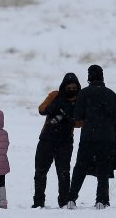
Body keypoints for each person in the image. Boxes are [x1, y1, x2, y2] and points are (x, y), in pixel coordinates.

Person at [66, 65, 116, 210]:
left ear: (89, 77)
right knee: (103, 169)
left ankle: (71, 199)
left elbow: (77, 116)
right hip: (107, 138)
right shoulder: (111, 94)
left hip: (88, 137)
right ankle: (101, 201)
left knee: (80, 168)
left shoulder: (83, 94)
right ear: (102, 77)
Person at [32, 72, 81, 208]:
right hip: (46, 139)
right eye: (69, 88)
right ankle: (38, 202)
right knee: (40, 172)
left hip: (65, 142)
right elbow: (41, 109)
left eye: (74, 88)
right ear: (64, 86)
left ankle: (64, 201)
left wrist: (70, 120)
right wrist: (51, 108)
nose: (71, 90)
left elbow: (81, 122)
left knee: (64, 173)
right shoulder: (54, 95)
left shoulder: (80, 99)